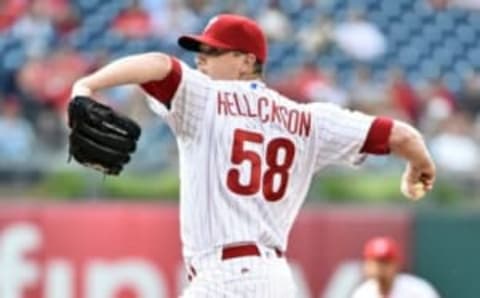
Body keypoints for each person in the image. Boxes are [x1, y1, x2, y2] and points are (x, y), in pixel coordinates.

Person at [70, 14, 436, 298]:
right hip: (275, 280)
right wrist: (418, 166)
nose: (201, 60)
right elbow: (401, 134)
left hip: (225, 278)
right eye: (199, 51)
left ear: (246, 62)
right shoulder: (310, 120)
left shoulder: (206, 97)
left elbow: (156, 63)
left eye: (212, 51)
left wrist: (86, 85)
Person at [352, 236, 440, 298]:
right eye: (376, 262)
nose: (380, 268)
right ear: (367, 265)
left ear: (395, 265)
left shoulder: (418, 290)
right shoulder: (362, 293)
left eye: (385, 262)